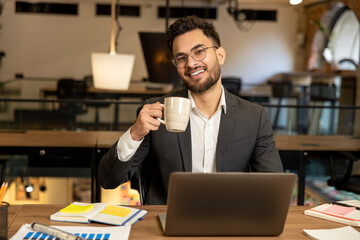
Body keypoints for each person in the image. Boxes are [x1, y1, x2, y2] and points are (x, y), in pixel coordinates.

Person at [98, 15, 283, 205]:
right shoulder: (155, 113)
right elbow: (108, 180)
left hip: (227, 225)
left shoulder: (254, 117)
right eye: (181, 58)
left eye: (199, 51)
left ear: (220, 56)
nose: (191, 63)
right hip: (165, 225)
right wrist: (135, 133)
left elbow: (273, 188)